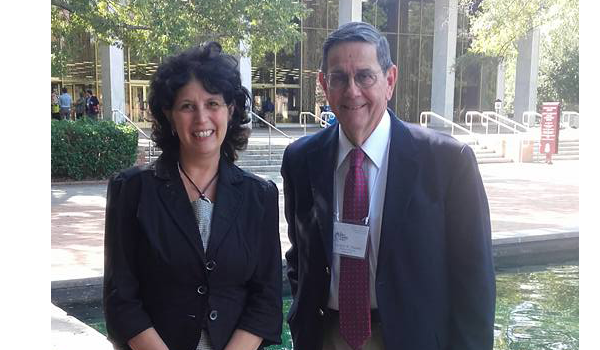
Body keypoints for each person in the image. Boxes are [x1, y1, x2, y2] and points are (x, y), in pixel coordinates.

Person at [282, 22, 495, 350]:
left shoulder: (448, 161)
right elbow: (300, 256)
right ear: (324, 85)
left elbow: (474, 280)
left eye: (365, 76)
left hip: (413, 338)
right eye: (339, 78)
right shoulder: (300, 160)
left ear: (390, 80)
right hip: (325, 338)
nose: (352, 91)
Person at [103, 42, 283, 350]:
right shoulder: (131, 191)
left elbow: (266, 300)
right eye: (187, 106)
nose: (201, 119)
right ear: (169, 115)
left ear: (231, 110)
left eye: (213, 104)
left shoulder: (259, 196)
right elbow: (122, 298)